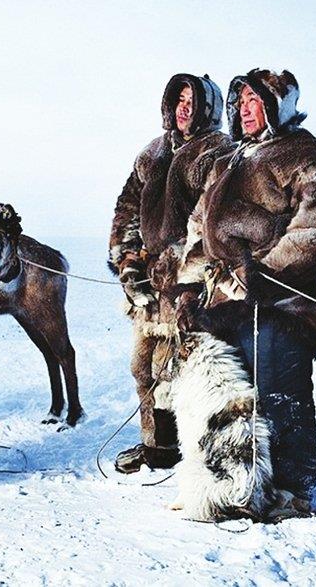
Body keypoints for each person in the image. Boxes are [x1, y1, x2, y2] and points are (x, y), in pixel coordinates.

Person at [175, 69, 316, 512]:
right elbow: (200, 228)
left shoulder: (306, 154)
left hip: (282, 303)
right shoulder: (228, 161)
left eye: (256, 100)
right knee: (232, 398)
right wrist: (190, 286)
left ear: (278, 106)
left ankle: (293, 488)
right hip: (223, 303)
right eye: (241, 101)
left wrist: (265, 275)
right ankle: (238, 484)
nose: (245, 109)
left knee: (278, 390)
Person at [109, 73, 234, 474]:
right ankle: (155, 445)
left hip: (190, 284)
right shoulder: (152, 153)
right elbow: (127, 208)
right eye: (178, 99)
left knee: (178, 369)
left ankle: (184, 450)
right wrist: (129, 262)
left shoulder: (217, 151)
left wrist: (183, 270)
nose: (184, 107)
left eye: (192, 100)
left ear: (207, 107)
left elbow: (211, 219)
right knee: (142, 366)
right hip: (147, 282)